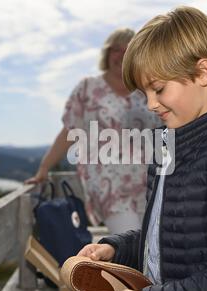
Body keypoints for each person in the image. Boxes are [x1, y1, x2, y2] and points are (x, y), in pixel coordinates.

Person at [77, 6, 207, 291]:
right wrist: (116, 248)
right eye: (144, 94)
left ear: (202, 73)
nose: (150, 104)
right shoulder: (168, 153)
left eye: (158, 89)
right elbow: (166, 239)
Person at [25, 28, 161, 235]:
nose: (122, 55)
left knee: (154, 249)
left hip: (152, 184)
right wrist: (43, 168)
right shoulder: (88, 88)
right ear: (107, 54)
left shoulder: (147, 89)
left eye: (129, 50)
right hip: (110, 186)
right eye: (117, 49)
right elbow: (69, 131)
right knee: (131, 246)